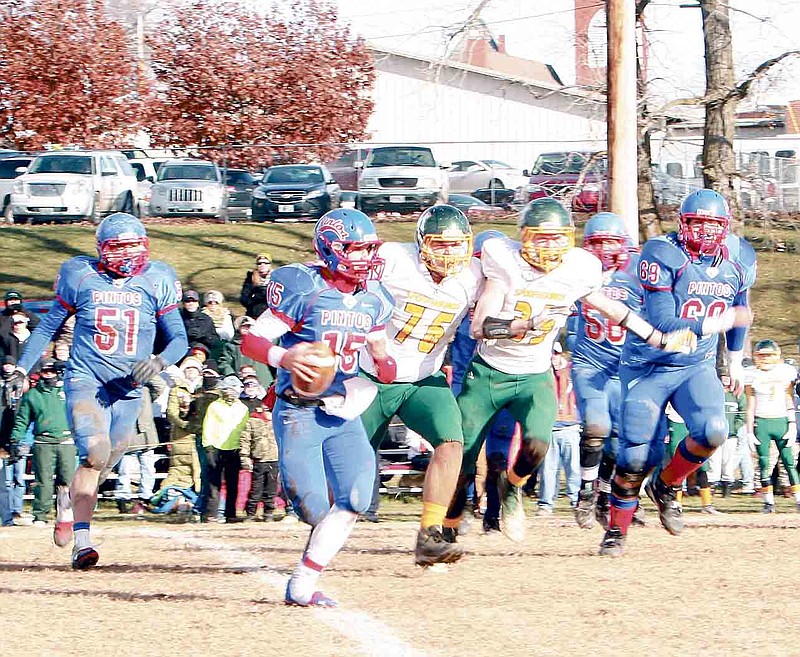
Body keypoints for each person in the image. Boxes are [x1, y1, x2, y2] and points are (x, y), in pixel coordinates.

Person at [446, 198, 694, 543]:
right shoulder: (505, 265)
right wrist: (525, 324)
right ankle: (448, 525)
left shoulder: (575, 270)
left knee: (537, 444)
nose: (549, 247)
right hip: (489, 372)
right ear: (524, 237)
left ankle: (513, 489)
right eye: (540, 238)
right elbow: (480, 326)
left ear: (569, 239)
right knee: (464, 455)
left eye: (556, 238)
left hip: (534, 375)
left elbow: (615, 311)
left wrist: (659, 338)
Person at [9, 212, 188, 568]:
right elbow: (46, 329)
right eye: (119, 247)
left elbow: (179, 338)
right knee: (95, 451)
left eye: (134, 246)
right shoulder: (81, 276)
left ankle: (68, 503)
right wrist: (20, 368)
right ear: (103, 250)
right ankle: (83, 541)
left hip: (131, 387)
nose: (128, 255)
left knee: (105, 461)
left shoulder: (157, 278)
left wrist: (159, 362)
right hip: (87, 379)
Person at [242, 208, 395, 608]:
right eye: (354, 249)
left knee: (357, 498)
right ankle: (303, 573)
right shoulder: (304, 286)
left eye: (368, 249)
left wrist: (386, 366)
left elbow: (381, 353)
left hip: (343, 410)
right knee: (313, 508)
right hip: (298, 410)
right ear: (329, 249)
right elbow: (252, 341)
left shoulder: (374, 298)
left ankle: (303, 584)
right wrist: (286, 359)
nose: (363, 258)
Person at [600, 189, 756, 556]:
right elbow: (664, 323)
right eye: (697, 223)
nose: (704, 231)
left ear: (725, 226)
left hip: (694, 366)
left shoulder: (739, 256)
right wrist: (720, 322)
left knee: (714, 431)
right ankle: (616, 531)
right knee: (636, 454)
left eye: (712, 224)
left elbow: (741, 308)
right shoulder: (661, 253)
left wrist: (734, 359)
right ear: (682, 223)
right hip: (648, 363)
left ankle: (665, 487)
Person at [358, 205, 483, 566]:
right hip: (372, 374)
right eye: (440, 244)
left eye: (457, 245)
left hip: (423, 377)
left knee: (451, 439)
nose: (449, 253)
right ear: (421, 243)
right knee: (350, 463)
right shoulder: (394, 260)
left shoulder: (472, 276)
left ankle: (430, 534)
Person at [569, 212, 643, 529]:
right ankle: (585, 491)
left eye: (610, 242)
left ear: (623, 244)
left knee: (617, 440)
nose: (603, 249)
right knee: (596, 425)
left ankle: (602, 493)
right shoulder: (574, 273)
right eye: (596, 242)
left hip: (624, 369)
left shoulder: (638, 277)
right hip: (591, 363)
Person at [9, 359, 75, 526]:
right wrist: (15, 439)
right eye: (45, 372)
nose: (49, 374)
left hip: (66, 441)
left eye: (52, 371)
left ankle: (65, 514)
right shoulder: (32, 395)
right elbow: (22, 420)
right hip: (43, 442)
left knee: (67, 481)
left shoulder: (67, 391)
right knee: (43, 481)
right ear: (40, 373)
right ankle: (40, 515)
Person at [744, 339, 800, 512]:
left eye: (769, 355)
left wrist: (792, 424)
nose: (766, 359)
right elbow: (750, 406)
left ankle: (798, 500)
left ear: (776, 356)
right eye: (762, 355)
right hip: (762, 422)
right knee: (763, 463)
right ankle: (768, 502)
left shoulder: (785, 372)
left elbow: (789, 399)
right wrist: (749, 430)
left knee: (789, 462)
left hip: (781, 419)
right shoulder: (751, 374)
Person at [537, 344, 581, 514]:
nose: (553, 358)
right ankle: (545, 504)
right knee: (548, 469)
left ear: (560, 354)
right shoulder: (542, 372)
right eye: (550, 354)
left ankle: (576, 501)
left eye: (555, 354)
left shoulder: (572, 371)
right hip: (549, 428)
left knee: (574, 469)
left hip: (571, 427)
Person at [239, 386, 280, 521]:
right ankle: (251, 512)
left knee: (271, 488)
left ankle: (269, 512)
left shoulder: (277, 420)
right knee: (256, 488)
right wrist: (245, 457)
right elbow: (245, 439)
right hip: (259, 459)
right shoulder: (253, 420)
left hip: (274, 458)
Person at [180, 290, 219, 356]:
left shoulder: (206, 319)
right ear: (183, 304)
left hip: (202, 352)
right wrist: (185, 334)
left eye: (194, 301)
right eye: (188, 301)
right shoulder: (178, 318)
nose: (191, 303)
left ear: (198, 303)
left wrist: (203, 336)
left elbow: (215, 341)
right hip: (182, 351)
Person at [240, 253, 273, 319]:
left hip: (271, 314)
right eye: (259, 263)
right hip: (254, 314)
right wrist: (255, 298)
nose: (262, 265)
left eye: (265, 263)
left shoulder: (276, 278)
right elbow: (243, 298)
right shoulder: (250, 278)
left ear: (270, 265)